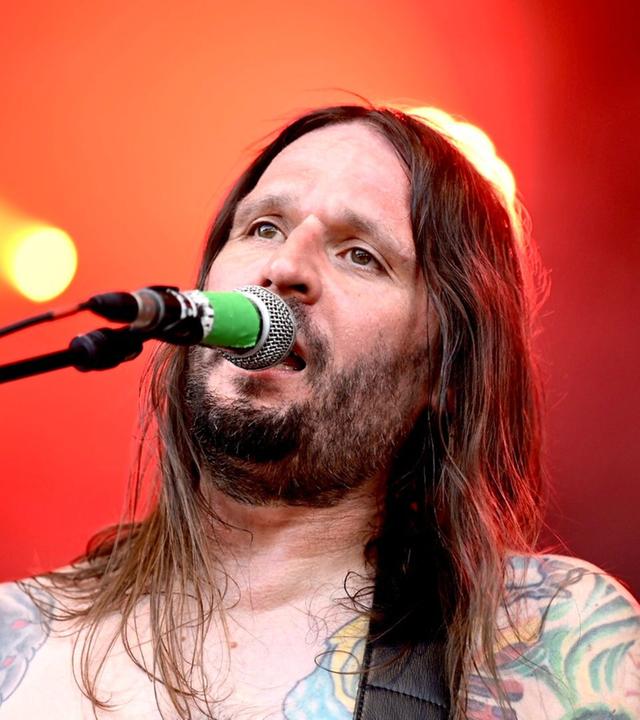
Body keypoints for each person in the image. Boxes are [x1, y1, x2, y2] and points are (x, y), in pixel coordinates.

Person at [1, 105, 638, 720]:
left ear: (445, 369)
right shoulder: (18, 638)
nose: (283, 267)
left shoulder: (553, 643)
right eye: (263, 228)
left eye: (360, 254)